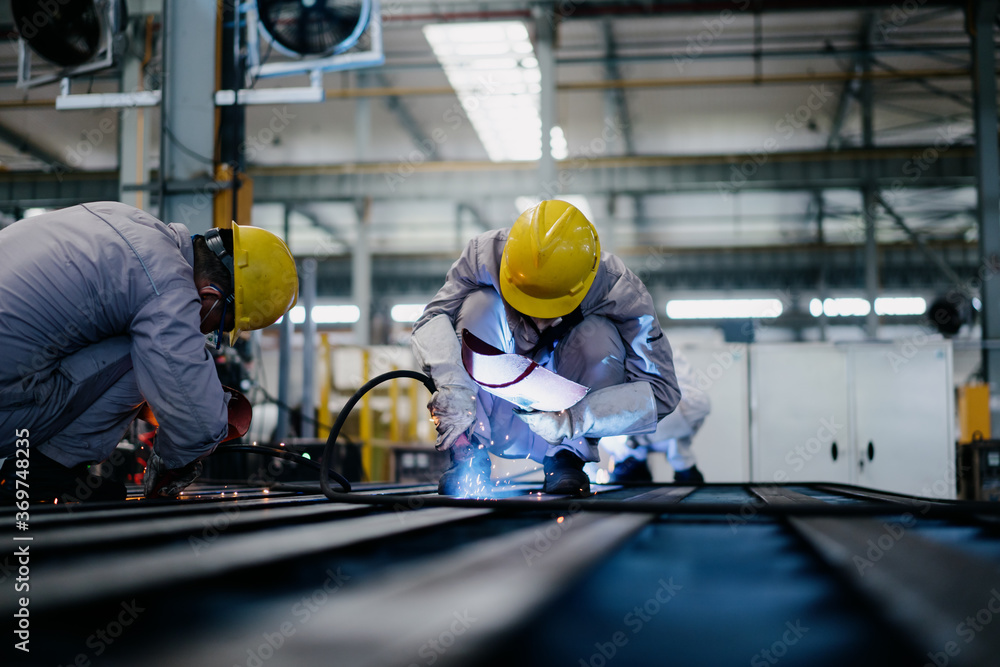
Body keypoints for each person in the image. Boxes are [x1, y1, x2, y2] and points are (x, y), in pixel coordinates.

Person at [0, 201, 297, 502]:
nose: (208, 332)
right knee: (141, 353)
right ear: (210, 295)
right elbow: (199, 424)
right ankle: (47, 469)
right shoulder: (168, 286)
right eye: (220, 324)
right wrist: (172, 463)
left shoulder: (131, 223)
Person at [411, 200, 680, 497]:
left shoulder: (619, 290)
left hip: (563, 421)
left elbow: (662, 392)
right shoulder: (483, 255)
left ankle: (567, 456)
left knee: (599, 333)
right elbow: (431, 320)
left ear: (584, 285)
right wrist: (454, 385)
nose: (538, 322)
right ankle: (468, 451)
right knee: (479, 304)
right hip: (490, 404)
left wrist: (575, 420)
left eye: (548, 310)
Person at [601, 348, 710, 483]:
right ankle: (633, 460)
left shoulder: (666, 353)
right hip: (625, 450)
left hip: (670, 438)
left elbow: (699, 406)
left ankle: (682, 464)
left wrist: (638, 437)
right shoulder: (604, 359)